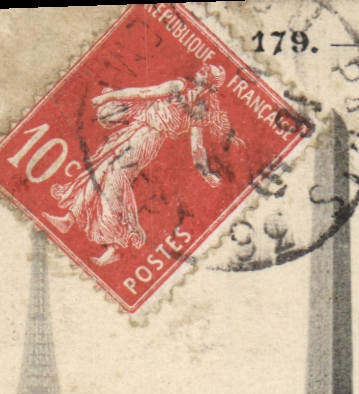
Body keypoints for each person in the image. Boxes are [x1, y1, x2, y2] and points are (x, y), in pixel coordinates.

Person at [47, 65, 237, 266]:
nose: (198, 71)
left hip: (147, 141)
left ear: (207, 81)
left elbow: (197, 146)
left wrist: (205, 172)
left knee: (114, 180)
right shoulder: (178, 86)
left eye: (204, 72)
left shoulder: (199, 110)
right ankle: (70, 218)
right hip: (137, 130)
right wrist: (108, 98)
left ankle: (115, 244)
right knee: (101, 169)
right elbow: (143, 93)